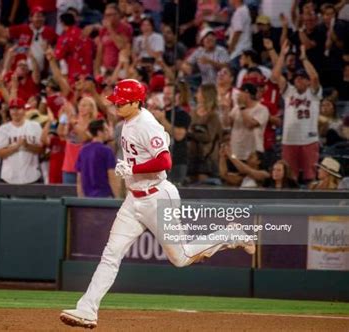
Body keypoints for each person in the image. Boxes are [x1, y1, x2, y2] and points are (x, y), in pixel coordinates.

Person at [60, 79, 255, 329]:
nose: (116, 104)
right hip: (134, 198)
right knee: (111, 254)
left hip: (157, 197)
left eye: (121, 101)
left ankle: (230, 234)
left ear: (134, 102)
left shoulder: (146, 124)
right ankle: (87, 309)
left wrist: (133, 167)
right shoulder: (129, 121)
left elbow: (165, 161)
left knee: (181, 257)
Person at [272, 41, 322, 183]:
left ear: (307, 82)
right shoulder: (289, 92)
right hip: (289, 139)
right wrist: (282, 54)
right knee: (289, 177)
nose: (299, 80)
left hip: (309, 140)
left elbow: (315, 77)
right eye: (297, 78)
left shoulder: (313, 93)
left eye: (302, 78)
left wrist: (304, 58)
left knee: (310, 177)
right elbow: (276, 76)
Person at [0, 98, 43, 184]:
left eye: (18, 108)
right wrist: (16, 147)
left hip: (32, 176)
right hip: (8, 177)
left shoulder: (35, 126)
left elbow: (41, 150)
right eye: (12, 109)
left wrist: (27, 145)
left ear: (24, 110)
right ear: (9, 111)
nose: (15, 111)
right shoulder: (3, 129)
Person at [222, 82, 269, 162]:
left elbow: (249, 124)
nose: (238, 95)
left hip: (252, 154)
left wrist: (242, 107)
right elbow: (227, 124)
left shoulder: (262, 109)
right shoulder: (237, 108)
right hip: (235, 152)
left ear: (247, 94)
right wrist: (226, 109)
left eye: (241, 93)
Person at [76, 119, 119, 198]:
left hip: (87, 198)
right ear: (99, 132)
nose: (108, 132)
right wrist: (117, 198)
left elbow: (79, 178)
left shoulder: (83, 150)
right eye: (106, 130)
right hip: (104, 198)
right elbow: (112, 177)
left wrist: (80, 199)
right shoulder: (107, 151)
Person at [188, 84, 222, 182]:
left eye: (199, 92)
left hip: (207, 157)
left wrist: (191, 134)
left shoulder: (213, 116)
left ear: (206, 95)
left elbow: (209, 137)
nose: (196, 95)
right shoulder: (193, 113)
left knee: (202, 184)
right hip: (192, 155)